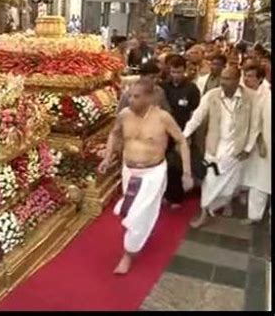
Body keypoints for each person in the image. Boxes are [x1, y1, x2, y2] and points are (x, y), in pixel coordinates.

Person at [98, 79, 193, 274]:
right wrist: (108, 157)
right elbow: (114, 135)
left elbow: (182, 141)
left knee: (138, 216)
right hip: (129, 171)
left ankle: (128, 254)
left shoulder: (163, 117)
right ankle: (136, 233)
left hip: (153, 174)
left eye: (136, 96)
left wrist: (187, 173)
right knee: (132, 212)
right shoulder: (124, 115)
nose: (131, 100)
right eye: (129, 95)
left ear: (149, 97)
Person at [183, 67, 259, 228]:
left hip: (236, 149)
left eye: (228, 79)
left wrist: (248, 147)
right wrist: (184, 136)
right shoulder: (212, 95)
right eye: (222, 78)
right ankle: (204, 212)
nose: (223, 82)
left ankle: (225, 202)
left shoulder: (251, 97)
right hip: (215, 147)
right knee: (210, 180)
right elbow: (197, 117)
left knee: (231, 183)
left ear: (238, 79)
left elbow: (255, 125)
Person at [161, 56, 201, 209]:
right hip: (164, 133)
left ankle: (177, 197)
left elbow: (195, 113)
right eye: (172, 72)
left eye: (178, 72)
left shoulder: (191, 89)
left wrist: (189, 135)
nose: (175, 75)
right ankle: (166, 193)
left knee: (178, 165)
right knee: (166, 165)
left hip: (183, 132)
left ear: (184, 70)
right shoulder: (164, 87)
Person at [240, 66, 271, 224]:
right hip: (264, 144)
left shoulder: (265, 94)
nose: (247, 79)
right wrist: (259, 142)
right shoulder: (262, 95)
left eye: (251, 76)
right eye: (246, 76)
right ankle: (254, 216)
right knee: (259, 180)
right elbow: (256, 124)